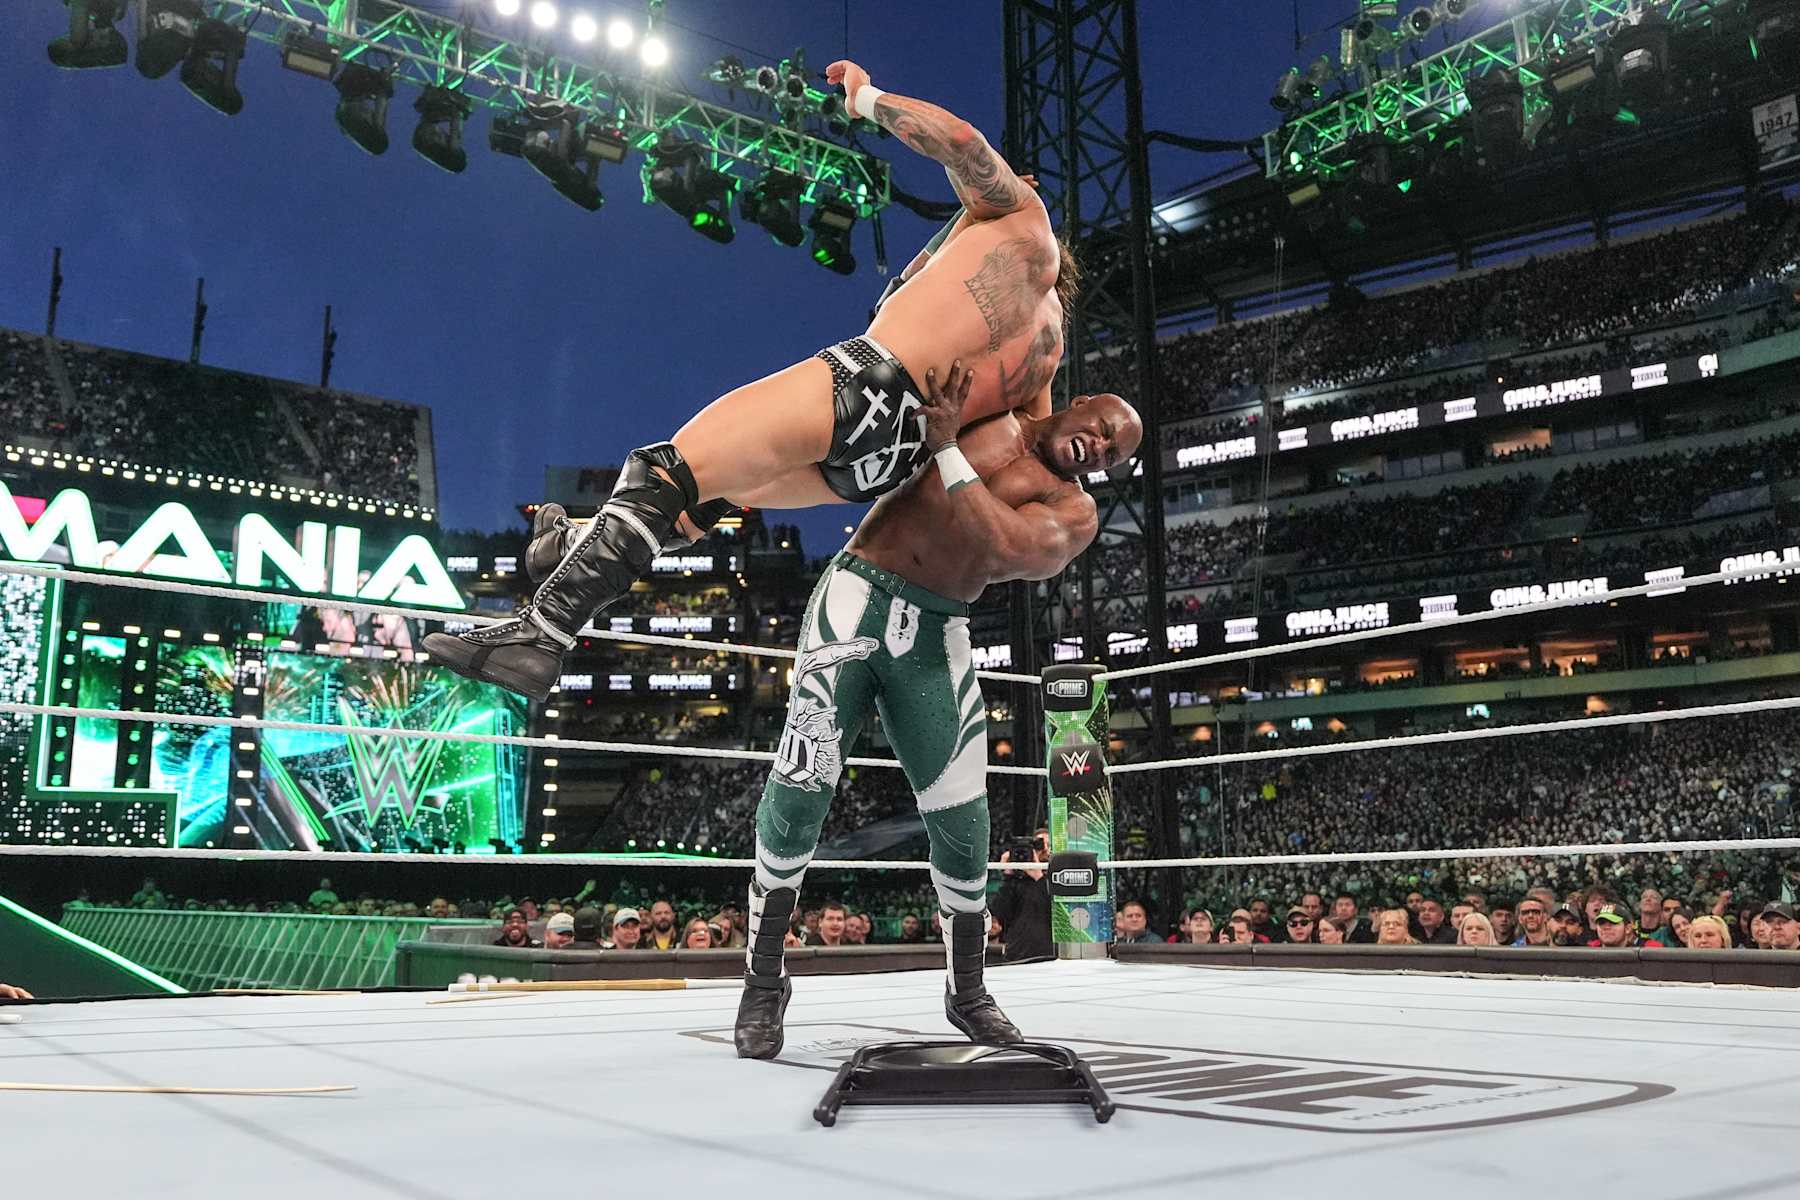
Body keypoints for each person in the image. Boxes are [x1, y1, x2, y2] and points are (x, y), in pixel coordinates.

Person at [424, 61, 1092, 702]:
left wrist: (865, 99)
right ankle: (573, 544)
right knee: (708, 492)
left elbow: (965, 145)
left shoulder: (1021, 220)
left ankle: (542, 637)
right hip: (886, 465)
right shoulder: (1046, 354)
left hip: (870, 383)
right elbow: (1008, 437)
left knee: (666, 470)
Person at [730, 360, 1141, 1060]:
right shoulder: (989, 404)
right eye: (1103, 429)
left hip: (937, 631)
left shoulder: (1074, 511)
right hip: (854, 598)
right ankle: (763, 979)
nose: (1100, 448)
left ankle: (968, 990)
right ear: (1080, 403)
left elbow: (1004, 545)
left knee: (963, 821)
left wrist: (946, 446)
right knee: (799, 791)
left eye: (1113, 454)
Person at [991, 829, 1052, 961]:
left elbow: (1056, 911)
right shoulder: (1014, 880)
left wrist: (1039, 877)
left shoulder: (1055, 878)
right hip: (1017, 954)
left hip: (1049, 954)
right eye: (1040, 845)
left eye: (1048, 845)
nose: (1045, 850)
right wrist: (1007, 875)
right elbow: (1000, 913)